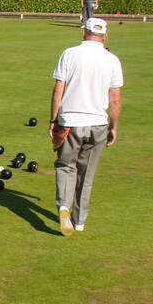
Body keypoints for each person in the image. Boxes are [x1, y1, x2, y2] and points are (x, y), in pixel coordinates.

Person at [49, 16, 122, 236]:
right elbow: (115, 100)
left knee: (65, 166)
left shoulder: (69, 54)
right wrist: (113, 127)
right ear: (105, 36)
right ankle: (79, 221)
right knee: (86, 173)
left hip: (70, 122)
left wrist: (53, 120)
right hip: (98, 123)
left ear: (84, 32)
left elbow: (58, 90)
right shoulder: (112, 60)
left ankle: (63, 206)